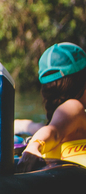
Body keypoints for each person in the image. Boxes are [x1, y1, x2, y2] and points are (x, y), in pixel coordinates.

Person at [17, 42, 86, 172]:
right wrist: (33, 147)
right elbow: (53, 132)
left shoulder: (58, 123)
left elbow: (48, 129)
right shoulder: (74, 107)